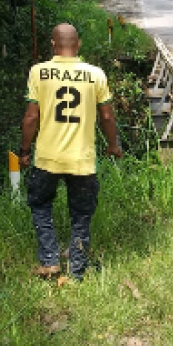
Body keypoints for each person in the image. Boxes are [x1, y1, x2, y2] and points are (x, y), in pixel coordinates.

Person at [19, 23, 123, 281]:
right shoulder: (96, 74)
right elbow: (107, 117)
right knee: (81, 213)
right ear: (78, 45)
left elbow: (31, 117)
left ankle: (50, 260)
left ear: (53, 45)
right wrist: (113, 145)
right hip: (82, 160)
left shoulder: (39, 72)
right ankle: (76, 270)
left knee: (40, 204)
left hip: (47, 158)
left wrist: (23, 150)